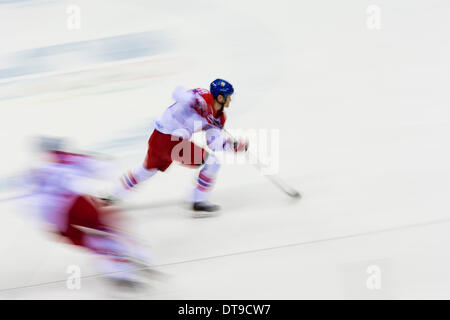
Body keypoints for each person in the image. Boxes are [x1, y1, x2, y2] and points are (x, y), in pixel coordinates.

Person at [27, 136, 153, 288]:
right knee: (113, 227)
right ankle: (137, 258)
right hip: (74, 204)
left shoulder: (37, 169)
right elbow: (101, 167)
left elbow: (30, 202)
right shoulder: (65, 157)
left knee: (91, 242)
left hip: (52, 219)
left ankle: (113, 270)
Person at [108, 79, 248, 212]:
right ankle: (198, 201)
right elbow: (177, 92)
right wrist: (193, 101)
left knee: (147, 170)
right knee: (213, 162)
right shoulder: (202, 96)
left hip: (165, 141)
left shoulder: (219, 118)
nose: (230, 99)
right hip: (168, 139)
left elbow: (214, 142)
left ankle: (113, 195)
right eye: (228, 96)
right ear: (220, 97)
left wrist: (231, 146)